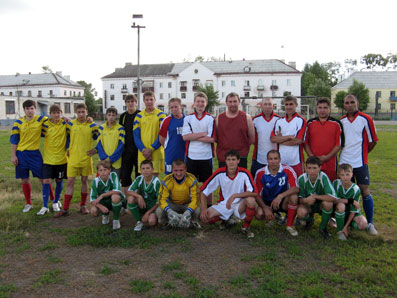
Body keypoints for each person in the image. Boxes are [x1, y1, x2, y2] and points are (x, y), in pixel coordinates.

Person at [339, 94, 378, 235]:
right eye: (347, 102)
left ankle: (370, 223)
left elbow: (373, 141)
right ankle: (345, 221)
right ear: (344, 105)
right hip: (344, 162)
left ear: (357, 103)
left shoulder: (366, 119)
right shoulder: (341, 121)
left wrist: (364, 154)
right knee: (345, 192)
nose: (349, 105)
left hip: (360, 162)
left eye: (352, 102)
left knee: (364, 191)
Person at [200, 150, 257, 238]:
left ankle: (246, 227)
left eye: (233, 159)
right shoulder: (220, 173)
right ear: (225, 161)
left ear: (238, 161)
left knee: (251, 201)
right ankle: (227, 219)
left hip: (239, 204)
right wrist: (203, 209)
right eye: (228, 159)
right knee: (205, 219)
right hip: (225, 204)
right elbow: (203, 192)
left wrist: (235, 196)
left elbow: (253, 193)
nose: (231, 162)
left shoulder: (244, 173)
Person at [10, 100, 54, 213]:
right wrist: (14, 155)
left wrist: (66, 119)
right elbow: (14, 140)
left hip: (35, 154)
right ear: (24, 110)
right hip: (21, 154)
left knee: (44, 179)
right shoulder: (18, 122)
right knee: (24, 180)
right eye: (27, 109)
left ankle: (54, 200)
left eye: (32, 108)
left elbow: (55, 119)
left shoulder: (41, 119)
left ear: (35, 109)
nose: (30, 111)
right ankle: (28, 203)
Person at [55, 103, 98, 217]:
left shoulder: (92, 125)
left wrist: (96, 150)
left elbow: (100, 137)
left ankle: (83, 206)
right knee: (70, 182)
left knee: (84, 181)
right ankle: (65, 208)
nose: (81, 114)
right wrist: (68, 148)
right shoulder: (70, 124)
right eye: (79, 112)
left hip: (85, 158)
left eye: (83, 112)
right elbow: (65, 135)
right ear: (75, 113)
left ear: (86, 112)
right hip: (73, 158)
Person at [254, 150, 299, 236]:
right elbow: (256, 194)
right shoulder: (260, 172)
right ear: (267, 160)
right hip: (267, 202)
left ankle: (289, 225)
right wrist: (265, 208)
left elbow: (296, 188)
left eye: (275, 158)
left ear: (280, 159)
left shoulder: (287, 170)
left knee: (293, 197)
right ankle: (270, 218)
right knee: (259, 214)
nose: (273, 161)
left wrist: (280, 196)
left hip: (282, 202)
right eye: (270, 159)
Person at [182, 92, 216, 206]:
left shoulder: (210, 118)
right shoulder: (188, 118)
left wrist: (194, 136)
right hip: (192, 155)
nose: (200, 104)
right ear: (194, 103)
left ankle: (209, 205)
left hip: (206, 156)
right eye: (198, 101)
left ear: (206, 103)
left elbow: (211, 139)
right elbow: (185, 137)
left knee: (208, 183)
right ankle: (192, 206)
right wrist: (203, 134)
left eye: (202, 101)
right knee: (191, 184)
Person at [296, 156, 337, 238]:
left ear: (320, 168)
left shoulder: (323, 177)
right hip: (309, 205)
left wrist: (315, 197)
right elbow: (299, 199)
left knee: (328, 204)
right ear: (305, 168)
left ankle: (323, 228)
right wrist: (306, 200)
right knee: (300, 212)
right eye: (309, 168)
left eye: (314, 168)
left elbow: (333, 197)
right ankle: (310, 220)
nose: (312, 171)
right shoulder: (302, 178)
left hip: (320, 204)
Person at [304, 97, 344, 182]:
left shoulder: (337, 124)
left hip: (330, 163)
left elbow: (338, 144)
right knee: (313, 187)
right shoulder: (310, 123)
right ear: (317, 108)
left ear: (329, 109)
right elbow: (305, 142)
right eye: (320, 108)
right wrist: (311, 156)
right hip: (313, 163)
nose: (322, 110)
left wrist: (327, 157)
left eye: (325, 108)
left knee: (330, 188)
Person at [155, 159, 200, 229]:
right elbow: (162, 200)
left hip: (187, 204)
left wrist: (188, 211)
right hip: (173, 204)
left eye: (181, 170)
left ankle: (192, 222)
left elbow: (196, 199)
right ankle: (168, 222)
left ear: (185, 170)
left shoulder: (192, 179)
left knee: (197, 210)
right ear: (172, 170)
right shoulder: (167, 180)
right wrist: (169, 211)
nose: (178, 173)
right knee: (159, 211)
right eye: (176, 170)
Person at [40, 104, 69, 214]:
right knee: (46, 181)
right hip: (48, 159)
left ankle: (56, 201)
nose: (56, 115)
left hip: (61, 159)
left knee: (59, 180)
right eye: (54, 112)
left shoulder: (65, 123)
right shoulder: (45, 125)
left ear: (61, 113)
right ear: (50, 114)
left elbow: (75, 124)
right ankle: (45, 205)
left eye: (58, 112)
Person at [216, 92, 255, 169]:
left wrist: (242, 148)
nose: (232, 104)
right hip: (224, 156)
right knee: (224, 180)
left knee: (240, 180)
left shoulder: (247, 118)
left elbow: (252, 139)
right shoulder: (219, 118)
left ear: (239, 102)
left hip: (241, 156)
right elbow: (217, 138)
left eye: (235, 101)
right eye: (230, 102)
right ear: (226, 103)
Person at [270, 95, 307, 177]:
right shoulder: (279, 121)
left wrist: (280, 139)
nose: (288, 107)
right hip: (281, 161)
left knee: (297, 186)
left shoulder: (301, 120)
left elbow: (298, 140)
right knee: (282, 186)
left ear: (296, 105)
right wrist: (289, 137)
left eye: (291, 104)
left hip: (296, 160)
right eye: (286, 104)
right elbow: (272, 139)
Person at [133, 91, 166, 176]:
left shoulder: (161, 115)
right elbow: (136, 136)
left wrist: (151, 149)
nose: (149, 102)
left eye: (151, 99)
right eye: (147, 100)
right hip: (142, 153)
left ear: (155, 100)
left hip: (156, 152)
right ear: (144, 101)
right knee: (144, 179)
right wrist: (144, 150)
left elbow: (162, 135)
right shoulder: (139, 116)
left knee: (154, 179)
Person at [333, 164, 368, 240]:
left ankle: (347, 226)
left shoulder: (356, 189)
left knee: (363, 224)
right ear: (339, 175)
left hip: (351, 212)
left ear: (352, 174)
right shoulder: (336, 183)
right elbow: (334, 200)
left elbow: (353, 211)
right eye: (342, 175)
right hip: (340, 209)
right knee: (341, 205)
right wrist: (350, 201)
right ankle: (340, 231)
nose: (345, 177)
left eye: (347, 174)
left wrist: (345, 227)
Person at [89, 160, 124, 230]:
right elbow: (92, 199)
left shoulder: (113, 175)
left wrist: (102, 195)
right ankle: (105, 214)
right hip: (104, 202)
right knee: (93, 211)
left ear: (109, 170)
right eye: (100, 170)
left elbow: (117, 190)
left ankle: (116, 219)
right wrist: (100, 206)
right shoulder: (95, 181)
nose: (103, 172)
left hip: (114, 200)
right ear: (98, 172)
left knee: (115, 197)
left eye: (105, 170)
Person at [126, 160, 161, 231]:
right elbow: (129, 191)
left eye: (148, 168)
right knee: (130, 199)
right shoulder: (139, 178)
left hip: (152, 206)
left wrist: (148, 213)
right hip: (142, 203)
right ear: (140, 170)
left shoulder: (156, 182)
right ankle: (139, 222)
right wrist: (139, 196)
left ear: (152, 170)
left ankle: (149, 216)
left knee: (152, 222)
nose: (145, 171)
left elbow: (159, 202)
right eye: (143, 169)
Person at [251, 97, 280, 178]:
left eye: (269, 104)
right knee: (257, 183)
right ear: (261, 106)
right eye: (265, 104)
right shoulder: (255, 120)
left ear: (273, 106)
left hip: (275, 158)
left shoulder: (279, 120)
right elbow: (251, 138)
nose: (267, 106)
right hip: (259, 158)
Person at [119, 94, 140, 194]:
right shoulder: (123, 116)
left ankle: (138, 198)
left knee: (139, 175)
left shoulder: (140, 114)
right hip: (126, 151)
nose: (130, 103)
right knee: (125, 176)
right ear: (125, 103)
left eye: (132, 101)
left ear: (136, 102)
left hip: (138, 150)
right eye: (128, 102)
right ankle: (125, 200)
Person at [159, 98, 186, 174]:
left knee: (184, 175)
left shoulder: (187, 119)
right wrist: (169, 147)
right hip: (171, 153)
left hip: (185, 153)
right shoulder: (166, 120)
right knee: (170, 176)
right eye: (171, 107)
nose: (174, 109)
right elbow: (161, 139)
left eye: (176, 107)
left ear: (181, 106)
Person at [96, 107, 125, 177]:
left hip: (116, 162)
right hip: (103, 161)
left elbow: (121, 146)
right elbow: (99, 144)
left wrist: (110, 159)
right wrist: (104, 158)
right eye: (109, 115)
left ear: (116, 116)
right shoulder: (101, 128)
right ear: (106, 116)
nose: (111, 117)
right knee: (103, 183)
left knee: (115, 184)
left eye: (113, 115)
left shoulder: (120, 129)